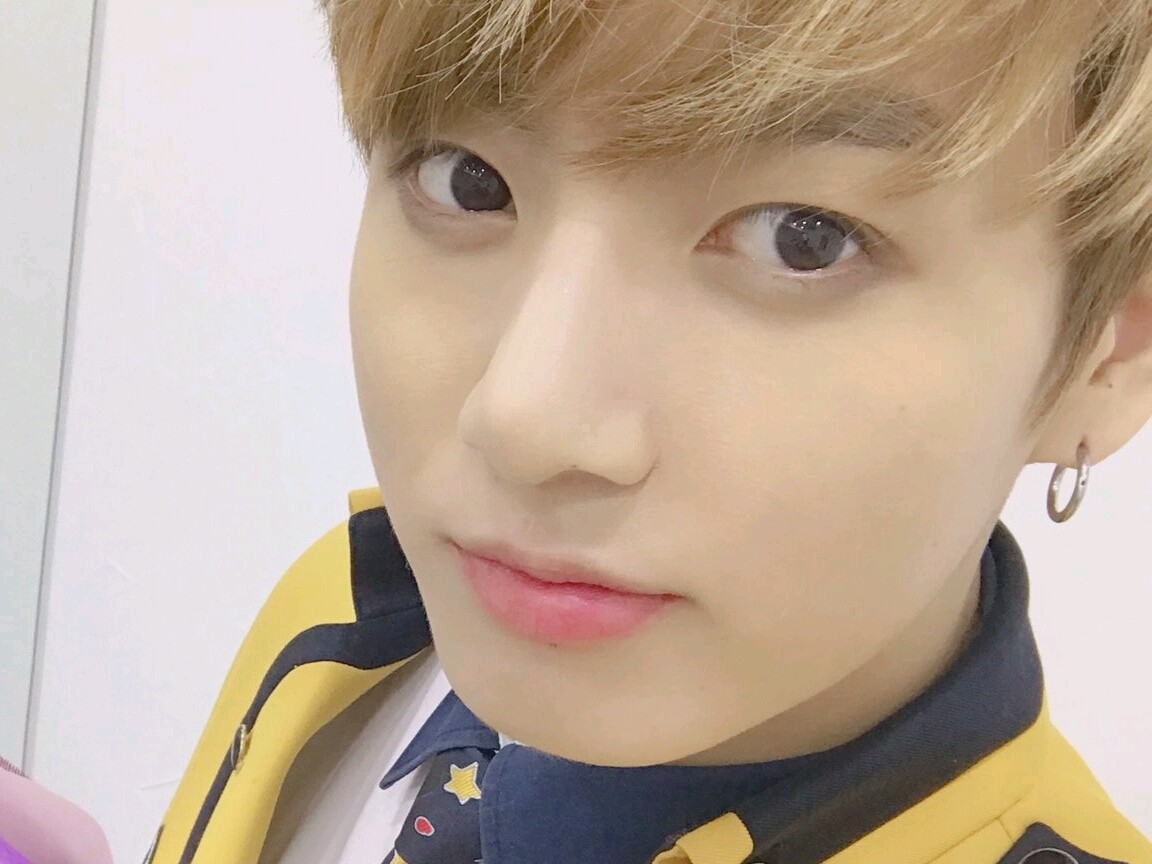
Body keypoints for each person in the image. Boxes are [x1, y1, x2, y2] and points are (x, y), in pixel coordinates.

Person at [149, 1, 1152, 862]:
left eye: (801, 239)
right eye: (466, 178)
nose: (525, 418)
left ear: (1110, 353)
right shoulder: (352, 624)